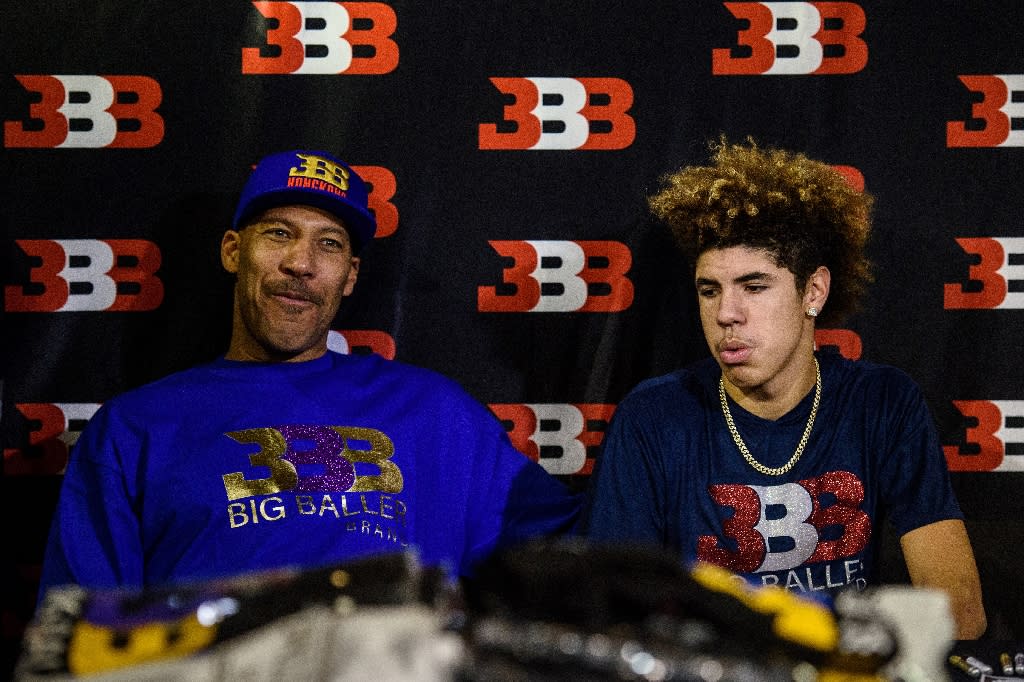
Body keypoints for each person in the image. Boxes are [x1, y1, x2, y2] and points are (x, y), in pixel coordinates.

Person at [37, 149, 581, 599]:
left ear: (349, 276)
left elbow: (591, 550)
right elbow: (80, 636)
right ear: (233, 251)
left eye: (329, 243)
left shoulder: (435, 412)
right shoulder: (134, 428)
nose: (302, 263)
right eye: (279, 233)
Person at [582, 138, 987, 639]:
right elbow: (614, 614)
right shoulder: (654, 417)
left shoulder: (883, 403)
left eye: (754, 287)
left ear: (812, 292)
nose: (726, 313)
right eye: (710, 290)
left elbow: (959, 612)